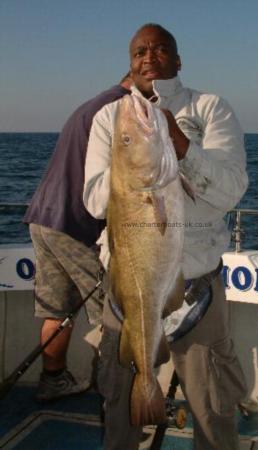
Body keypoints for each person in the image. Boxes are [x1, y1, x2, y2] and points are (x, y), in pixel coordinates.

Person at [83, 24, 248, 450]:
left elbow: (229, 192)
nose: (148, 56)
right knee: (120, 402)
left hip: (198, 289)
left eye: (160, 49)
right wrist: (137, 172)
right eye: (139, 51)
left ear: (177, 60)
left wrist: (182, 148)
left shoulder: (211, 109)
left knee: (212, 407)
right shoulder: (111, 117)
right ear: (130, 63)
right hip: (127, 285)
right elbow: (94, 201)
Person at [23, 74, 132, 402]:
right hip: (76, 225)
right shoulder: (122, 110)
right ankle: (114, 396)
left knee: (56, 309)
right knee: (112, 313)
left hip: (44, 218)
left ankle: (53, 380)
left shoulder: (91, 105)